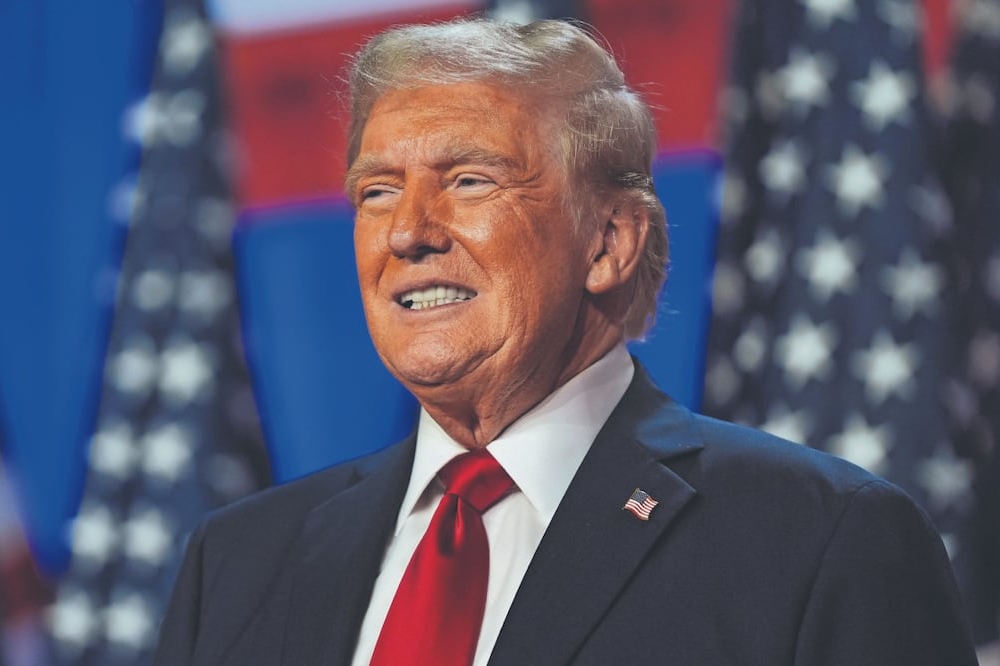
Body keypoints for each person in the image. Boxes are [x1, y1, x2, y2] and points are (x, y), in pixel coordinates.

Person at [154, 18, 976, 666]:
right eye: (375, 191)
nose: (405, 232)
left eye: (468, 179)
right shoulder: (236, 565)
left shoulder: (819, 541)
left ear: (608, 242)